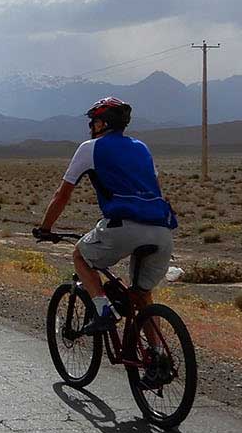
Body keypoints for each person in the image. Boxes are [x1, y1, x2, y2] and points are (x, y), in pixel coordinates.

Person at [34, 97, 177, 334]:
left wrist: (45, 227)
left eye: (93, 122)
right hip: (161, 231)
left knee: (80, 255)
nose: (91, 127)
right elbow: (156, 189)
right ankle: (158, 358)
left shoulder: (89, 148)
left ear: (102, 124)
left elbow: (62, 195)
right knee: (142, 297)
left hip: (122, 226)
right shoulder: (142, 147)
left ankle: (103, 310)